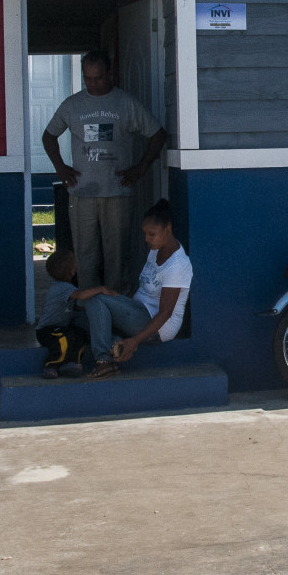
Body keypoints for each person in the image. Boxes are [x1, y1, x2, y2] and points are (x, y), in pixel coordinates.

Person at [42, 51, 167, 293]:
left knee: (117, 256)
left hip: (117, 191)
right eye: (87, 78)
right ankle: (90, 307)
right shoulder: (72, 104)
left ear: (110, 74)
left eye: (98, 78)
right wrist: (60, 167)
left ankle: (116, 306)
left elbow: (157, 134)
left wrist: (141, 167)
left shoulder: (125, 103)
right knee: (85, 255)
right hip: (81, 192)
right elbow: (48, 136)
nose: (93, 84)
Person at [74, 199, 191, 380]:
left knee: (95, 299)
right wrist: (121, 303)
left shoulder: (178, 265)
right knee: (78, 319)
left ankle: (104, 361)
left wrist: (134, 342)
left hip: (158, 327)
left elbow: (166, 313)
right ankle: (114, 344)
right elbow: (143, 287)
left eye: (152, 234)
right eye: (145, 233)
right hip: (137, 313)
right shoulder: (155, 250)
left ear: (168, 229)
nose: (146, 239)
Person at [34, 247, 89, 379]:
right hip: (46, 331)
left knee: (80, 334)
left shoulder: (67, 287)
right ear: (71, 271)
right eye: (75, 264)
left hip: (62, 327)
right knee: (64, 338)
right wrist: (101, 290)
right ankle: (51, 365)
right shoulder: (61, 288)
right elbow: (80, 295)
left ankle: (73, 362)